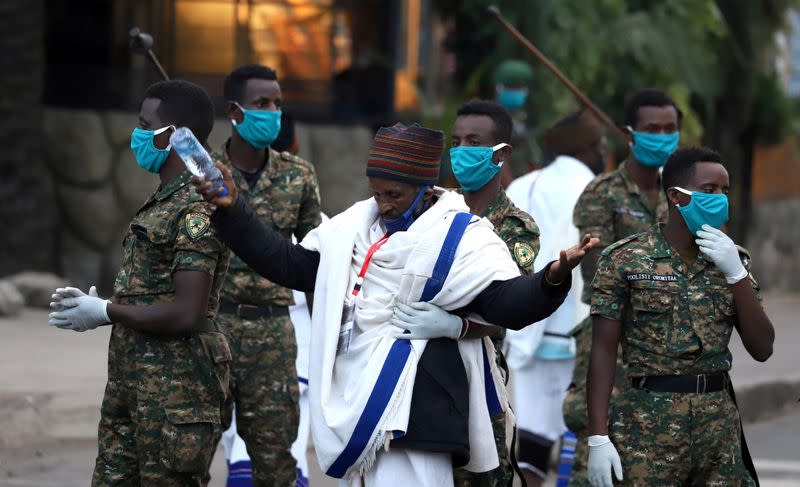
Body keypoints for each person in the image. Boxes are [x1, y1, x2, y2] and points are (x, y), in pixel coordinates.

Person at [194, 122, 598, 486]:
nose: (384, 204)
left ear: (426, 192)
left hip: (422, 419)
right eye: (377, 192)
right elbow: (291, 265)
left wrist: (551, 278)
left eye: (395, 194)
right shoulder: (354, 226)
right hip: (359, 411)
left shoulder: (463, 235)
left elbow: (506, 303)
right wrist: (234, 212)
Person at [48, 80, 231, 486]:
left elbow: (188, 310)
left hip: (176, 396)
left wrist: (107, 312)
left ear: (172, 135)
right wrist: (106, 303)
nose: (137, 134)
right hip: (133, 385)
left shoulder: (197, 207)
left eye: (144, 124)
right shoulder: (164, 199)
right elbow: (155, 290)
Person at [586, 147, 774, 486]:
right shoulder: (626, 260)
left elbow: (762, 347)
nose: (720, 200)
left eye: (725, 191)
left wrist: (736, 276)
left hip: (718, 429)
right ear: (676, 196)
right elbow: (601, 350)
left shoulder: (733, 261)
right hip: (647, 428)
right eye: (709, 190)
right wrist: (598, 437)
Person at [211, 64, 322, 487]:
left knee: (277, 459)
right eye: (262, 104)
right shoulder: (203, 175)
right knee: (190, 451)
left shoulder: (299, 175)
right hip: (212, 327)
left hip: (274, 331)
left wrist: (326, 340)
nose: (272, 112)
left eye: (276, 103)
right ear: (234, 112)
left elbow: (315, 264)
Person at [565, 89, 679, 485]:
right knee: (594, 452)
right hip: (610, 343)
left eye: (670, 129)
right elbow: (597, 271)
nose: (662, 136)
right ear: (630, 135)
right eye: (653, 129)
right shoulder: (603, 194)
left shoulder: (687, 196)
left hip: (669, 348)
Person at [504, 109, 606, 486]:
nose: (603, 151)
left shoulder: (523, 187)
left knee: (531, 432)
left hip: (527, 329)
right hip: (579, 330)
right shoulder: (599, 190)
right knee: (573, 429)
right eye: (599, 145)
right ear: (586, 149)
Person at [445, 100, 541, 487]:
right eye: (456, 141)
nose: (460, 151)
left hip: (480, 371)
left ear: (500, 154)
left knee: (484, 476)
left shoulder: (515, 226)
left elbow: (507, 304)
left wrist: (452, 323)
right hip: (423, 369)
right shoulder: (434, 207)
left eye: (473, 141)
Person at [493, 59, 539, 185]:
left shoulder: (525, 115)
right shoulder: (490, 118)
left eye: (520, 88)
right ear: (499, 88)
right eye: (512, 88)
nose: (517, 92)